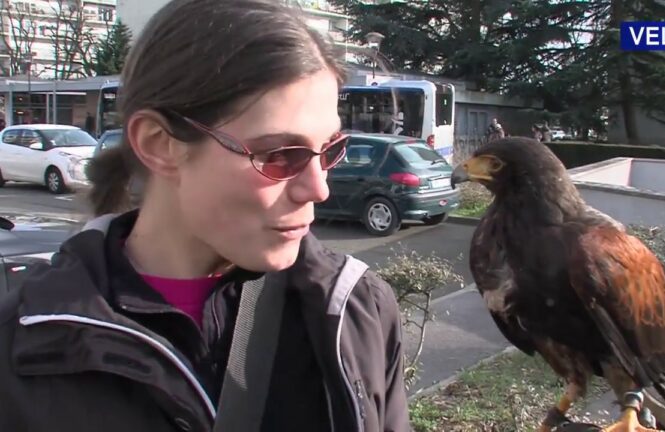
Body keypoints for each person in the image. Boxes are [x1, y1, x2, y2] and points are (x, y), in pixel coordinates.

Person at [0, 1, 410, 431]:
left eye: (330, 150)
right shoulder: (24, 351)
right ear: (160, 144)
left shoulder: (353, 308)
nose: (319, 188)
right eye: (279, 155)